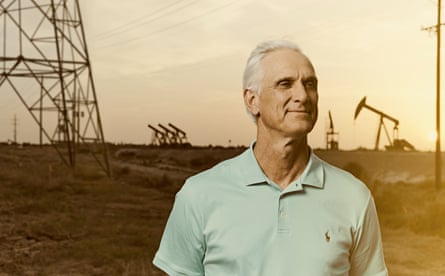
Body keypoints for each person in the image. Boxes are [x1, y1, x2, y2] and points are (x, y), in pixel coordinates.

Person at [153, 40, 388, 276]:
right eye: (285, 84)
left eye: (310, 84)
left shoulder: (354, 197)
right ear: (252, 100)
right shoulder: (199, 195)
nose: (303, 96)